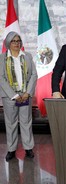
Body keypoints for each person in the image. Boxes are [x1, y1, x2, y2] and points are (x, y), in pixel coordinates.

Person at [0, 31, 38, 161]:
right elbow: (1, 78)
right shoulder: (2, 58)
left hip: (25, 95)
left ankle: (28, 148)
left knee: (26, 121)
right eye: (13, 41)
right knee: (10, 123)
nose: (16, 43)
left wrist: (27, 93)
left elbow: (33, 75)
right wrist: (14, 95)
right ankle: (11, 149)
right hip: (10, 96)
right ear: (8, 43)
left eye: (18, 41)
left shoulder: (27, 56)